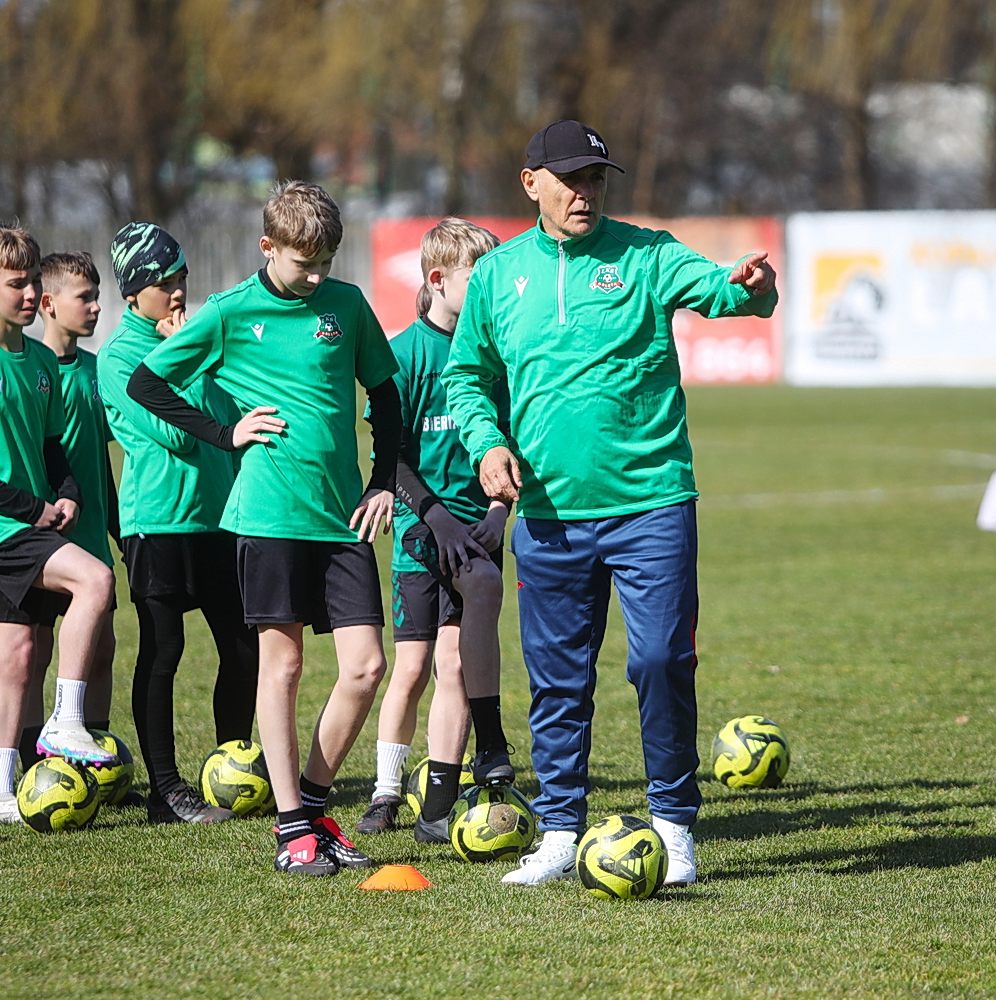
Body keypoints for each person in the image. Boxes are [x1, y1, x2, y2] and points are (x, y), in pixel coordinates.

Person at [443, 121, 779, 886]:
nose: (585, 191)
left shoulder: (647, 253)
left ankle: (673, 824)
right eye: (569, 178)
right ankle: (560, 828)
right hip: (550, 517)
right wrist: (487, 444)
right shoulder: (499, 277)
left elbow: (730, 293)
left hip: (652, 502)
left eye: (596, 178)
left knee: (661, 660)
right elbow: (467, 378)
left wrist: (755, 290)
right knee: (560, 678)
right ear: (531, 183)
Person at [128, 180, 403, 876]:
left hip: (342, 519)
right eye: (302, 263)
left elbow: (387, 393)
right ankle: (291, 832)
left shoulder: (345, 306)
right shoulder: (227, 313)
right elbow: (147, 384)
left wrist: (382, 480)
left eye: (326, 264)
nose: (316, 277)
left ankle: (311, 805)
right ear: (267, 246)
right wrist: (226, 434)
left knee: (367, 667)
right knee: (282, 668)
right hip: (269, 516)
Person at [0, 224, 118, 826]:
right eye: (17, 284)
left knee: (16, 657)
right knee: (94, 581)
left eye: (34, 281)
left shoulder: (40, 361)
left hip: (33, 520)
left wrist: (64, 494)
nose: (30, 293)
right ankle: (66, 723)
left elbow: (52, 446)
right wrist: (31, 509)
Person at [97, 223, 259, 824]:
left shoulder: (192, 339)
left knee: (244, 649)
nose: (177, 291)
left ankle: (231, 768)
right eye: (164, 282)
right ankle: (165, 792)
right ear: (135, 292)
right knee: (164, 651)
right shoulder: (118, 358)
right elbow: (176, 433)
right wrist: (187, 355)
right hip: (158, 523)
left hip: (217, 517)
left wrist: (195, 355)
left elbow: (232, 411)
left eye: (181, 278)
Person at [356, 218, 512, 843]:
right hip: (424, 528)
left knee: (454, 660)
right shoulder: (404, 356)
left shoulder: (494, 354)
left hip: (477, 532)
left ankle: (440, 801)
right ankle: (386, 791)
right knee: (413, 666)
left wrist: (498, 513)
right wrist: (433, 515)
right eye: (480, 279)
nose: (490, 291)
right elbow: (389, 454)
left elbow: (513, 444)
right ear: (437, 279)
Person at [22, 251, 122, 773]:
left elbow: (99, 463)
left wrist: (117, 529)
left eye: (96, 295)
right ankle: (34, 760)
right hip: (43, 537)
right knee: (36, 654)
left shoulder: (96, 371)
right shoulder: (34, 373)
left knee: (101, 651)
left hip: (92, 540)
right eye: (84, 297)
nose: (96, 306)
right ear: (48, 304)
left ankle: (92, 760)